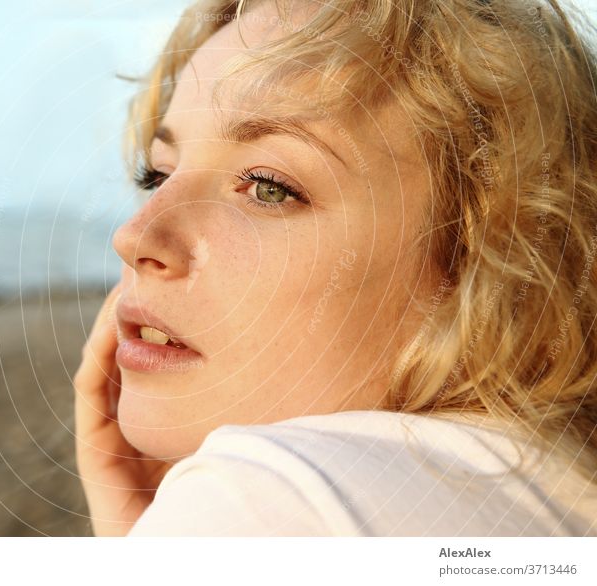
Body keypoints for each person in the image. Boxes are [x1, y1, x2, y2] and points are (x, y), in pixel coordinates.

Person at [74, 0, 597, 536]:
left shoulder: (256, 497)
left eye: (268, 187)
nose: (134, 236)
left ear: (483, 265)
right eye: (159, 175)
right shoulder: (557, 487)